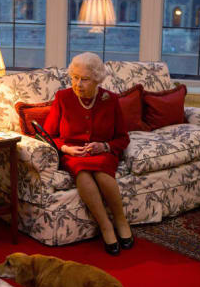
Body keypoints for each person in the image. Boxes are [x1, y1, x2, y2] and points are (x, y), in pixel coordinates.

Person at [43, 52, 133, 256]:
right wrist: (65, 148)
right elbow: (48, 136)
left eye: (84, 79)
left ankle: (121, 220)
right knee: (82, 172)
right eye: (74, 77)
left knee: (102, 173)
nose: (78, 84)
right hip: (73, 154)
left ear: (97, 79)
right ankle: (105, 226)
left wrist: (105, 147)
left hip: (103, 154)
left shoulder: (110, 99)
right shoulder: (63, 98)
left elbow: (123, 138)